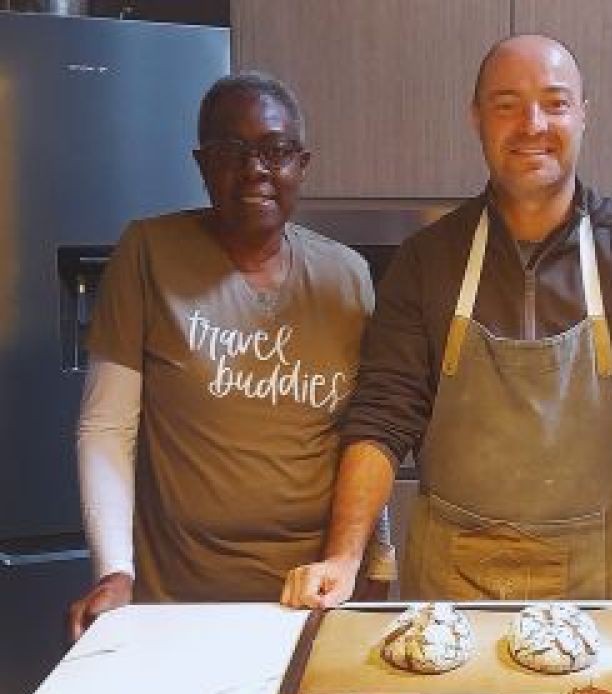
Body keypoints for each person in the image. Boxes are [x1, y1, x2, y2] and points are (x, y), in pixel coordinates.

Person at [281, 34, 612, 615]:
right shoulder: (426, 260)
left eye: (555, 102)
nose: (532, 123)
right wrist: (343, 558)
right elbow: (383, 414)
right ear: (476, 118)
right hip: (447, 598)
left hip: (604, 590)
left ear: (585, 114)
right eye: (506, 104)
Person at [69, 72, 392, 641]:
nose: (256, 169)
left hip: (314, 596)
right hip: (181, 600)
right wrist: (115, 571)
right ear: (201, 163)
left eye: (276, 150)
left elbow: (366, 431)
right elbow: (106, 427)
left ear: (301, 164)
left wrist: (377, 554)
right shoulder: (149, 254)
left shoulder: (347, 276)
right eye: (232, 150)